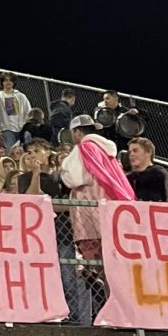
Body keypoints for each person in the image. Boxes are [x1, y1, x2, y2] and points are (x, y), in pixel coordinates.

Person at [60, 114, 135, 276]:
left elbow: (74, 178)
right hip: (109, 208)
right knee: (114, 263)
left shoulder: (83, 148)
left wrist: (62, 171)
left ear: (77, 132)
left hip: (90, 212)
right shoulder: (105, 148)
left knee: (100, 264)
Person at [0, 72, 32, 149]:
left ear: (14, 82)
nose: (8, 82)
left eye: (10, 80)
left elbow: (28, 111)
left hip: (22, 127)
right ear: (2, 82)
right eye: (6, 80)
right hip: (7, 129)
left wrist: (28, 126)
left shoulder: (21, 96)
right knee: (10, 151)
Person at [125, 136, 168, 202]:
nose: (131, 154)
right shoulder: (132, 177)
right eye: (130, 152)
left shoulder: (158, 171)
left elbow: (143, 176)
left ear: (148, 152)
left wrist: (121, 175)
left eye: (135, 151)